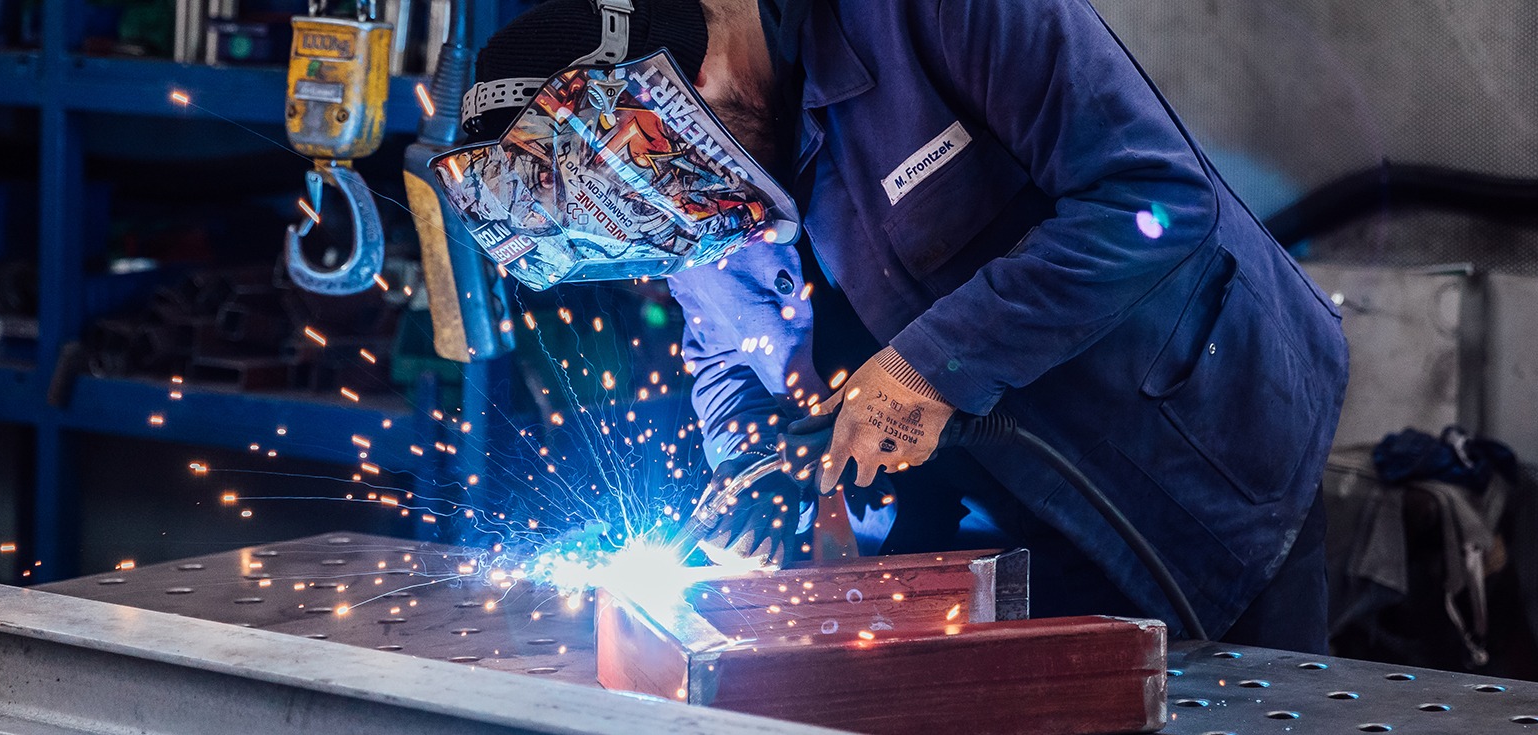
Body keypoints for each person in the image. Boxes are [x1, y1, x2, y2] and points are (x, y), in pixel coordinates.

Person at [462, 0, 1349, 651]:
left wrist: (935, 366)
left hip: (1193, 468)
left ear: (692, 75)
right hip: (970, 518)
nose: (697, 221)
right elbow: (724, 344)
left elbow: (1154, 201)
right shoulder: (679, 185)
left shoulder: (931, 13)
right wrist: (747, 468)